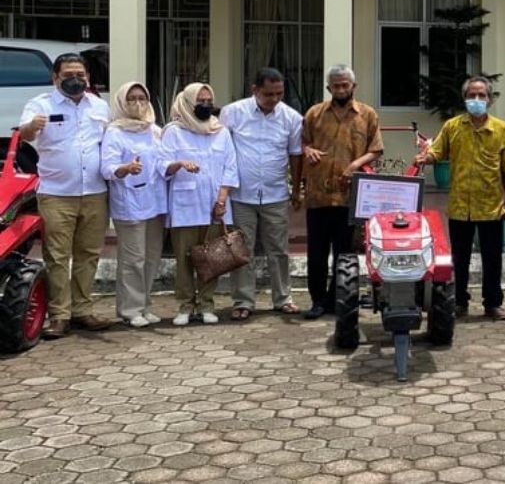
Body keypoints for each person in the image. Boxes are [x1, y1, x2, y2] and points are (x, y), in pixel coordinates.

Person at [19, 53, 113, 338]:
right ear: (55, 78)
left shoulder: (99, 106)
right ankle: (59, 315)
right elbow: (24, 134)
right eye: (68, 75)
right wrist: (31, 127)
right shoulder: (40, 105)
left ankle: (82, 310)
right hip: (56, 194)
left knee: (89, 254)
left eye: (80, 75)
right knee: (58, 256)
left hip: (95, 192)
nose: (75, 79)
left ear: (88, 77)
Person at [415, 76, 505, 321]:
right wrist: (425, 158)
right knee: (459, 259)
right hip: (460, 206)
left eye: (482, 95)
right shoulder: (452, 126)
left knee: (492, 258)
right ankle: (459, 301)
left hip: (491, 206)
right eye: (472, 95)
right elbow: (437, 151)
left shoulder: (502, 129)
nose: (477, 99)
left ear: (489, 100)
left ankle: (492, 303)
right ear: (464, 99)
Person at [300, 65, 384, 319]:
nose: (340, 89)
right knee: (316, 253)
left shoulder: (367, 114)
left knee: (345, 253)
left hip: (350, 196)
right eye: (335, 86)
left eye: (344, 85)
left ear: (353, 86)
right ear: (329, 88)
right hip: (318, 194)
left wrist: (355, 165)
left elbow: (376, 149)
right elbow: (302, 142)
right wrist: (308, 150)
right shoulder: (314, 114)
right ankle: (317, 301)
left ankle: (339, 300)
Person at [222, 68, 304, 320]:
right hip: (241, 195)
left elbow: (295, 155)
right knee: (241, 250)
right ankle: (243, 301)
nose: (274, 99)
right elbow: (222, 151)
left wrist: (296, 189)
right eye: (269, 94)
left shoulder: (291, 118)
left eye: (279, 93)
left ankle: (283, 298)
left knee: (278, 250)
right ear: (255, 90)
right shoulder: (233, 113)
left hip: (275, 194)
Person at [158, 83, 239, 326]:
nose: (205, 105)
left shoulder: (220, 131)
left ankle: (206, 305)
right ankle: (185, 305)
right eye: (200, 101)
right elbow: (162, 165)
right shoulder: (174, 131)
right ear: (187, 103)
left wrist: (222, 200)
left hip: (215, 206)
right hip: (185, 206)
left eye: (208, 101)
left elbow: (230, 167)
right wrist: (179, 164)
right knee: (184, 259)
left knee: (211, 258)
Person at [100, 82, 168, 328]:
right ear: (122, 102)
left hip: (156, 203)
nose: (138, 103)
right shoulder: (114, 132)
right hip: (129, 203)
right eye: (132, 99)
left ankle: (145, 304)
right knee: (133, 259)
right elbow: (106, 168)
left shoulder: (155, 130)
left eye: (142, 98)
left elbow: (164, 162)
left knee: (151, 257)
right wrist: (125, 168)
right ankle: (130, 309)